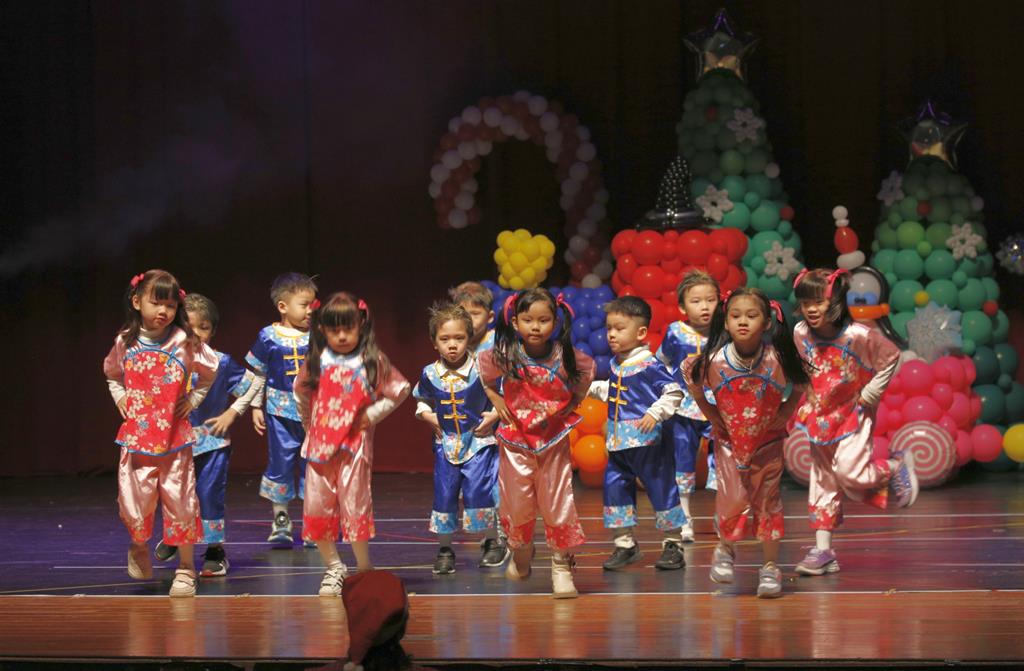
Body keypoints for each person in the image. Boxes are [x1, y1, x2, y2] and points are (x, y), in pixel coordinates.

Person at [791, 268, 918, 576]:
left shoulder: (858, 335)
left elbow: (891, 357)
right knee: (823, 481)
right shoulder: (800, 333)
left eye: (818, 301)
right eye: (805, 302)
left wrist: (870, 394)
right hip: (819, 417)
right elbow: (806, 368)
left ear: (835, 301)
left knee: (850, 473)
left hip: (853, 414)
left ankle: (896, 466)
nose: (811, 308)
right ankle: (823, 550)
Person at [685, 287, 809, 598]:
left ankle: (770, 567)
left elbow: (801, 382)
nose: (743, 321)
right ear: (725, 322)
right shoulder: (714, 361)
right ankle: (725, 550)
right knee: (732, 500)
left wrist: (786, 411)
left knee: (768, 506)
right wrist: (711, 414)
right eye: (736, 316)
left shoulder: (778, 359)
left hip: (768, 446)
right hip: (730, 446)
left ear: (766, 322)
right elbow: (695, 385)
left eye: (752, 316)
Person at [103, 269, 219, 597]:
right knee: (134, 505)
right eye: (156, 303)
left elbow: (210, 371)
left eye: (169, 305)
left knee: (181, 504)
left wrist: (193, 399)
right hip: (137, 440)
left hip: (175, 441)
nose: (163, 311)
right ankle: (139, 544)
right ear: (137, 302)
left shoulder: (184, 341)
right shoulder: (124, 342)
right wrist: (120, 396)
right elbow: (112, 374)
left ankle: (186, 568)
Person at [478, 288, 595, 598]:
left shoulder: (564, 356)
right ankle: (521, 552)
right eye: (528, 320)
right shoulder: (506, 354)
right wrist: (494, 397)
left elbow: (585, 374)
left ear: (555, 322)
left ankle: (561, 565)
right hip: (515, 442)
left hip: (552, 441)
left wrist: (573, 404)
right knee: (517, 504)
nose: (535, 327)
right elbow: (484, 372)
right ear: (515, 322)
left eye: (544, 320)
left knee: (558, 503)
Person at [294, 292, 410, 596]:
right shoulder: (317, 361)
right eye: (335, 330)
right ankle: (334, 567)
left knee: (355, 505)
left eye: (348, 328)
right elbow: (300, 393)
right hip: (318, 451)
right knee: (317, 507)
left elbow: (400, 389)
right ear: (323, 329)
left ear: (361, 325)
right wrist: (309, 426)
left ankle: (364, 568)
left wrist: (372, 414)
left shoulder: (371, 360)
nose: (342, 336)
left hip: (354, 450)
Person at [154, 293, 263, 576]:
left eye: (203, 327)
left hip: (211, 442)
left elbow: (254, 384)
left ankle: (215, 550)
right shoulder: (165, 360)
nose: (196, 333)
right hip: (174, 443)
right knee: (174, 494)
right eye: (188, 327)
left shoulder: (221, 362)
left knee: (208, 494)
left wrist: (233, 412)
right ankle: (175, 537)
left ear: (212, 331)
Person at [588, 296, 685, 571]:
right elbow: (615, 391)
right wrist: (588, 389)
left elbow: (673, 392)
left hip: (648, 443)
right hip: (619, 444)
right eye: (609, 328)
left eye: (619, 328)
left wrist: (654, 413)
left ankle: (673, 543)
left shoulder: (649, 365)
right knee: (615, 488)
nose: (611, 334)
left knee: (661, 488)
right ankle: (625, 544)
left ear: (641, 332)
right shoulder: (617, 364)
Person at [413, 302, 506, 575]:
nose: (452, 345)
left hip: (478, 442)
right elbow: (421, 399)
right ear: (434, 342)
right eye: (445, 339)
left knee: (480, 491)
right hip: (446, 444)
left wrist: (493, 416)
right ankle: (445, 549)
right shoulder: (430, 373)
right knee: (444, 495)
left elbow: (502, 397)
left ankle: (491, 541)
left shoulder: (482, 368)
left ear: (469, 338)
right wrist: (427, 415)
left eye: (459, 338)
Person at [246, 272, 318, 545]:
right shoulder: (268, 337)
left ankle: (313, 522)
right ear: (283, 306)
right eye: (304, 304)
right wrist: (255, 406)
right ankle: (281, 519)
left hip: (313, 413)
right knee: (280, 463)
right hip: (279, 412)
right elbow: (259, 373)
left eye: (313, 304)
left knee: (314, 466)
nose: (310, 310)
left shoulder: (317, 336)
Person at [656, 270, 720, 541]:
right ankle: (685, 518)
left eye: (711, 300)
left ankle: (723, 516)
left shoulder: (725, 332)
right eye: (696, 301)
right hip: (684, 408)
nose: (704, 306)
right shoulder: (675, 332)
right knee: (683, 461)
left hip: (718, 408)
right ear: (683, 307)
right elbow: (661, 361)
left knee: (722, 462)